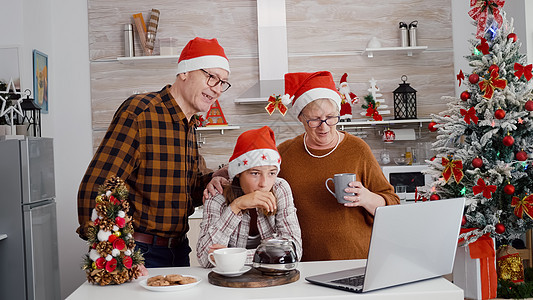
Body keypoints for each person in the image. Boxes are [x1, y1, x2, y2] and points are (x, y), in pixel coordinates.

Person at [206, 71, 399, 262]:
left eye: (331, 117)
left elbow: (392, 205)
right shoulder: (287, 152)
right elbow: (251, 168)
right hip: (304, 265)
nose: (324, 127)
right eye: (314, 120)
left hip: (355, 258)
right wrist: (218, 176)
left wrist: (367, 198)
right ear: (300, 118)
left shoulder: (357, 149)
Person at [77, 37, 231, 268]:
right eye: (212, 77)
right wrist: (120, 257)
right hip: (139, 251)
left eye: (223, 83)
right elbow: (97, 188)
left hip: (177, 250)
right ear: (185, 72)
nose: (217, 89)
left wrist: (219, 175)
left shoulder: (189, 124)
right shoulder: (141, 112)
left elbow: (187, 192)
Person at [197, 126, 302, 268]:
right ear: (238, 173)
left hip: (272, 278)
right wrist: (236, 206)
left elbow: (293, 251)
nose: (264, 184)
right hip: (229, 282)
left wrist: (231, 256)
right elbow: (205, 259)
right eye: (255, 173)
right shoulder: (217, 196)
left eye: (271, 173)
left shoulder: (280, 188)